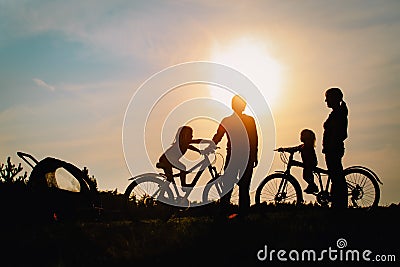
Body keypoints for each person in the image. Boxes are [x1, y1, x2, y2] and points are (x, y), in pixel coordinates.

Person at [212, 95, 258, 217]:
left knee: (228, 186)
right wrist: (254, 156)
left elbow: (218, 136)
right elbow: (254, 140)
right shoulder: (249, 120)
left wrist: (210, 146)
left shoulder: (227, 120)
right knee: (243, 187)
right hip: (245, 157)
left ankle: (224, 213)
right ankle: (243, 214)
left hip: (234, 157)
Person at [322, 87, 348, 209]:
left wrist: (331, 145)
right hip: (332, 149)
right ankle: (338, 203)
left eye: (328, 98)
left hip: (334, 149)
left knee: (337, 177)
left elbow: (341, 133)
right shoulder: (338, 112)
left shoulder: (338, 113)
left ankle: (340, 204)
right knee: (335, 176)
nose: (326, 101)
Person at [278, 129, 319, 194]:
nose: (301, 137)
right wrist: (284, 149)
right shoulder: (303, 146)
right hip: (308, 163)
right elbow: (294, 148)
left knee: (306, 174)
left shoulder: (307, 146)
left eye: (302, 135)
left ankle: (313, 186)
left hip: (310, 163)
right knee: (306, 175)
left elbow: (296, 149)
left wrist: (286, 149)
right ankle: (312, 185)